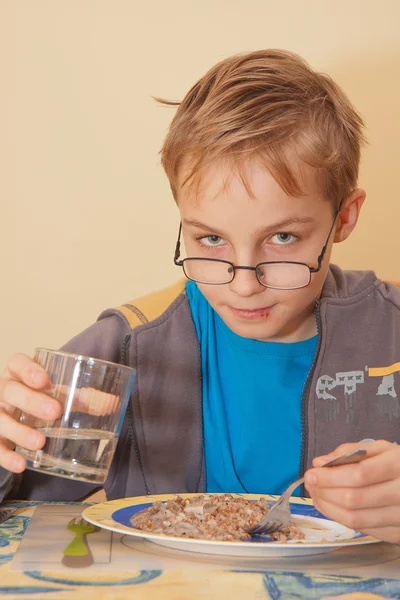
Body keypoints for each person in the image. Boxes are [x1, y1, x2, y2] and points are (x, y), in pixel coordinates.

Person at [1, 49, 400, 544]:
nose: (243, 283)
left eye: (282, 239)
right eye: (211, 240)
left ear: (344, 218)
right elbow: (22, 503)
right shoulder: (127, 346)